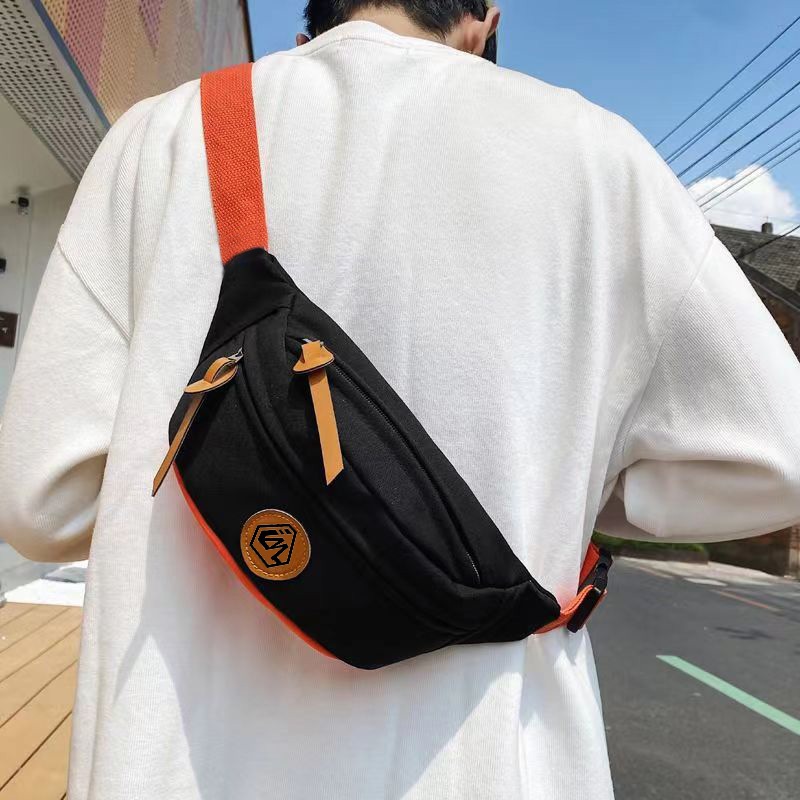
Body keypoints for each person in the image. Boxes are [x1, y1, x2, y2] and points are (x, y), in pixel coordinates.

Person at [1, 2, 799, 798]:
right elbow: (779, 458)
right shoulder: (602, 158)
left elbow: (40, 506)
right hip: (481, 761)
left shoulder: (163, 137)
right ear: (485, 20)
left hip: (176, 758)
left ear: (310, 24)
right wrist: (568, 486)